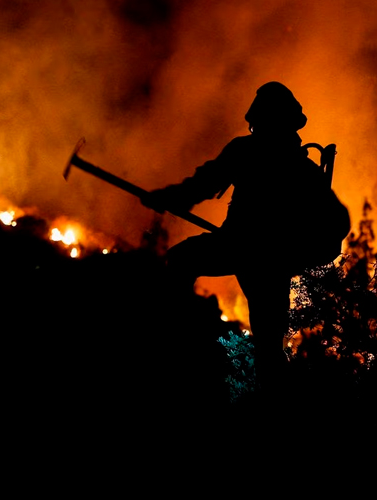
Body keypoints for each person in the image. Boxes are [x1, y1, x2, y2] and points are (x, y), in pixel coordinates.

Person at [142, 81, 351, 402]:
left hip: (251, 254)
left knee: (182, 262)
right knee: (269, 344)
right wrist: (170, 197)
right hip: (256, 256)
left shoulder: (255, 153)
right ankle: (196, 354)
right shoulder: (297, 167)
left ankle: (180, 350)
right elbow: (203, 183)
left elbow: (203, 184)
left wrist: (168, 198)